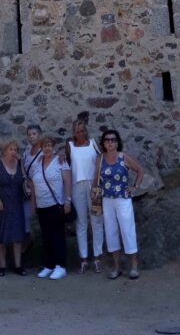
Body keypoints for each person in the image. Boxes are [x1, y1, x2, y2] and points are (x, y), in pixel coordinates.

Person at [94, 128, 143, 279]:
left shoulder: (123, 157)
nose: (110, 142)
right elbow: (95, 179)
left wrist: (134, 187)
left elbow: (140, 170)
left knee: (127, 230)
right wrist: (94, 193)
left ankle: (134, 266)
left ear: (117, 142)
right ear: (103, 143)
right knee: (111, 233)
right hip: (107, 200)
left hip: (123, 199)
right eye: (107, 140)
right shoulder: (100, 159)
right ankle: (117, 268)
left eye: (113, 140)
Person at [29, 134, 71, 280]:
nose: (46, 148)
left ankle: (60, 266)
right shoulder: (37, 163)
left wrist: (67, 201)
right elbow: (33, 185)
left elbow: (67, 181)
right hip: (42, 206)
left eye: (49, 145)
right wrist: (33, 204)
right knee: (46, 236)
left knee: (57, 236)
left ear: (53, 147)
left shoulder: (60, 161)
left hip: (55, 204)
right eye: (44, 146)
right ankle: (49, 265)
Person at [66, 117, 104, 273]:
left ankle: (97, 257)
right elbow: (67, 164)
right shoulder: (70, 146)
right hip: (77, 186)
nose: (80, 134)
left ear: (86, 131)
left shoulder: (93, 144)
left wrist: (96, 181)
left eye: (82, 130)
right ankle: (83, 259)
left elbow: (101, 161)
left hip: (94, 185)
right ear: (74, 133)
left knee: (96, 220)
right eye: (77, 131)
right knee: (81, 223)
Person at [0, 139, 27, 276]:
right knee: (0, 235)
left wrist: (22, 165)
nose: (13, 152)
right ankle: (2, 265)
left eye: (15, 149)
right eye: (10, 149)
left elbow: (25, 180)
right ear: (5, 151)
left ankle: (18, 265)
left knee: (17, 235)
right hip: (0, 205)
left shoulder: (20, 164)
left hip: (16, 204)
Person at [22, 123, 43, 250]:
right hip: (29, 191)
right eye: (29, 135)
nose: (32, 137)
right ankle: (29, 241)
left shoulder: (44, 151)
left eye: (34, 134)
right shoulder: (26, 152)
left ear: (39, 135)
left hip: (42, 190)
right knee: (26, 217)